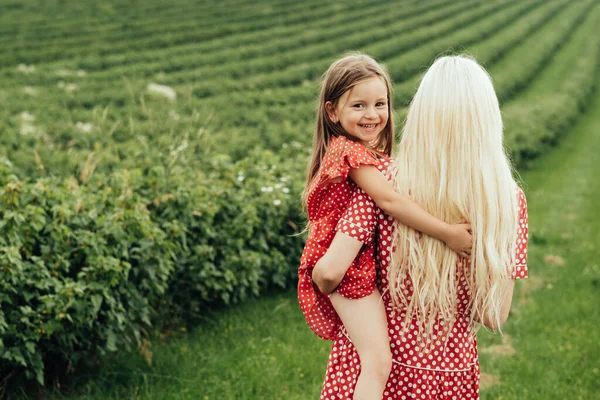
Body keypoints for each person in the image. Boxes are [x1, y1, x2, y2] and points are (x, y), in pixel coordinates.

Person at [319, 54, 529, 399]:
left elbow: (332, 271)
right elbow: (493, 314)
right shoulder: (507, 201)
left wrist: (315, 274)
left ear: (421, 115)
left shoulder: (382, 181)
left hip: (373, 371)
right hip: (451, 374)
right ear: (488, 120)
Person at [297, 53, 473, 400]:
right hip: (344, 268)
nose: (373, 114)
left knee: (371, 359)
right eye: (359, 105)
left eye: (380, 103)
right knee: (377, 362)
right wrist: (447, 233)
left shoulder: (350, 151)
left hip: (348, 265)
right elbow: (391, 201)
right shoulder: (351, 154)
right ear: (332, 111)